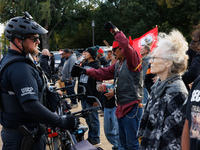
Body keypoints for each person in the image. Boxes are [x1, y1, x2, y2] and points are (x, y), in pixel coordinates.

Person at [1, 12, 78, 150]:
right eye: (35, 38)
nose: (38, 42)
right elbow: (31, 105)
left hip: (23, 134)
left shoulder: (12, 61)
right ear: (18, 41)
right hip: (25, 138)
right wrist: (62, 122)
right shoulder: (19, 67)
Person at [71, 21, 143, 149]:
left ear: (122, 49)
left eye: (114, 50)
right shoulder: (118, 65)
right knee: (123, 145)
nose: (113, 53)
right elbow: (102, 73)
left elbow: (126, 45)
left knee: (132, 145)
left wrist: (115, 31)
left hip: (132, 108)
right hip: (121, 108)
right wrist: (85, 71)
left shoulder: (133, 61)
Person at [137, 29, 189, 149]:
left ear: (168, 63)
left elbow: (173, 141)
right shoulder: (159, 86)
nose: (150, 61)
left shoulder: (177, 92)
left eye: (154, 58)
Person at [74, 47, 101, 146]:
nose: (85, 53)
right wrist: (79, 61)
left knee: (93, 118)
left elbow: (99, 82)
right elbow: (74, 72)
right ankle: (91, 136)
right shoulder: (84, 64)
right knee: (87, 117)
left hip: (91, 95)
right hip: (83, 95)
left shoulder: (96, 65)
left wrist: (96, 98)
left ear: (92, 54)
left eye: (87, 52)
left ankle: (95, 138)